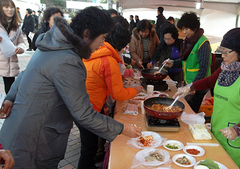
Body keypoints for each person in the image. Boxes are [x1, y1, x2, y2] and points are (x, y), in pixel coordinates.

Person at [0, 7, 142, 169]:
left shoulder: (53, 43)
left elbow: (26, 73)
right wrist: (123, 129)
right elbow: (83, 113)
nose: (103, 44)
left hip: (17, 131)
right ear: (87, 33)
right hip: (33, 142)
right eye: (102, 38)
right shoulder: (68, 60)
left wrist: (10, 97)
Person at [173, 28, 240, 168]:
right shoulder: (226, 68)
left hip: (236, 138)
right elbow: (210, 81)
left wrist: (237, 129)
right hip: (217, 130)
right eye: (221, 51)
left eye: (226, 52)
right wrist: (189, 87)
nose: (222, 55)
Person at [77, 21, 143, 169]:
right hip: (90, 107)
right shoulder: (108, 60)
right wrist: (136, 90)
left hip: (82, 104)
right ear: (120, 44)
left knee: (89, 146)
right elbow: (118, 94)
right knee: (89, 149)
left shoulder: (96, 51)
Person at [164, 12, 212, 113]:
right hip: (189, 85)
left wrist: (193, 86)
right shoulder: (188, 41)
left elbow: (203, 69)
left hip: (198, 88)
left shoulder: (203, 43)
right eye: (183, 29)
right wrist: (172, 63)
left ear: (194, 27)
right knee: (185, 111)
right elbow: (184, 61)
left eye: (187, 29)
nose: (184, 32)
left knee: (190, 113)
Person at [0, 0, 25, 94]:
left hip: (10, 63)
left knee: (10, 90)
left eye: (12, 7)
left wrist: (20, 48)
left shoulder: (17, 26)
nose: (10, 9)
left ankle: (8, 107)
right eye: (6, 7)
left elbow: (21, 42)